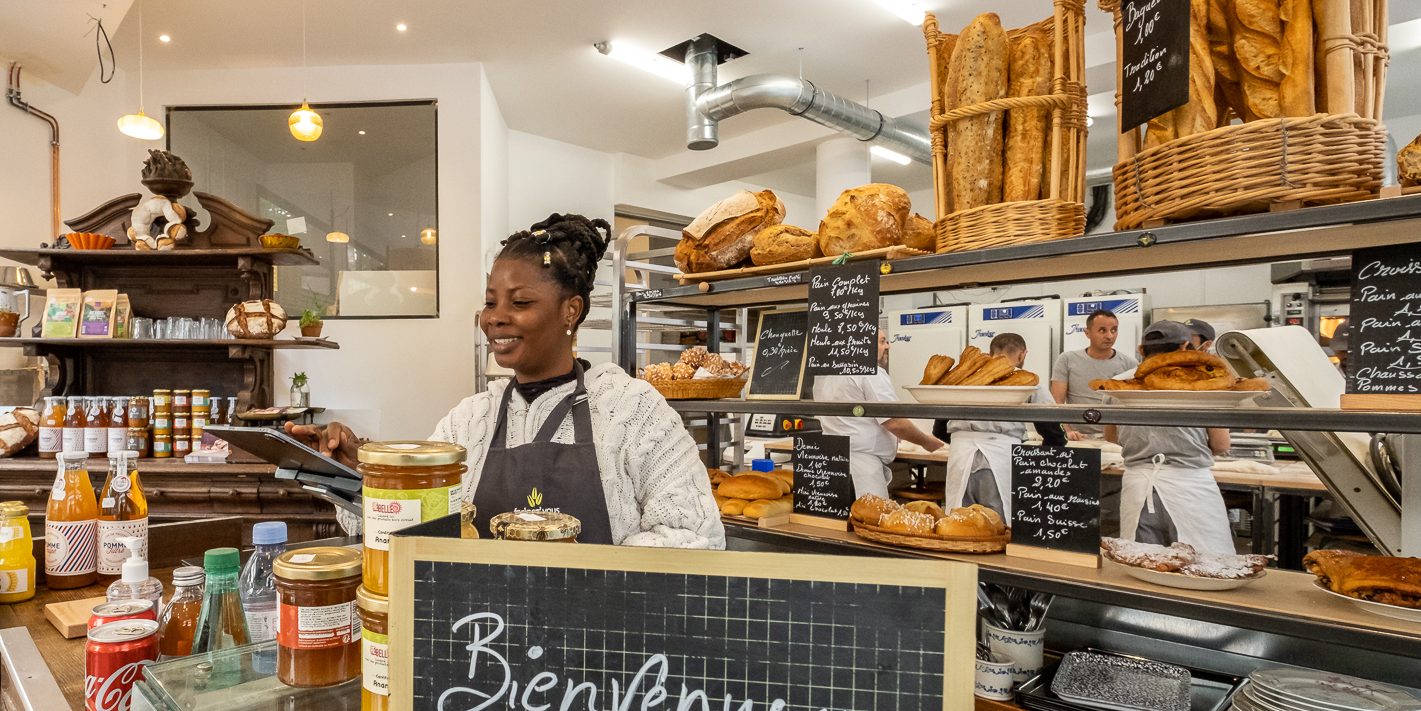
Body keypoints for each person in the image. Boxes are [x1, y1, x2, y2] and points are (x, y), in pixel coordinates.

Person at [286, 212, 725, 549]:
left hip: (600, 650)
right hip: (484, 641)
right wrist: (360, 470)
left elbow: (696, 537)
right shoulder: (469, 420)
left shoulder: (634, 411)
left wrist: (579, 587)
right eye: (490, 302)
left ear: (570, 311)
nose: (496, 318)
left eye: (520, 302)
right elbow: (410, 527)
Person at [1103, 320, 1233, 553]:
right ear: (1184, 347)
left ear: (1141, 350)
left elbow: (1112, 436)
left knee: (1144, 567)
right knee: (1204, 569)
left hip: (1138, 489)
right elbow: (1221, 444)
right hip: (1190, 489)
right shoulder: (1204, 381)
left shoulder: (1119, 383)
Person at [940, 333, 1058, 524]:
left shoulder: (964, 381)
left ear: (989, 352)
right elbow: (1053, 428)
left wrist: (965, 440)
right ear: (1022, 355)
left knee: (959, 524)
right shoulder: (1026, 381)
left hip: (959, 458)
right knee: (996, 524)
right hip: (1000, 458)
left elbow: (939, 428)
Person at [813, 329, 944, 499]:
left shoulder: (824, 374)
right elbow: (895, 423)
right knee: (868, 520)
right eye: (882, 341)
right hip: (862, 468)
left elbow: (851, 420)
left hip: (831, 462)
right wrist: (927, 442)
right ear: (864, 346)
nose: (888, 346)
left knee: (839, 522)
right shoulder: (871, 373)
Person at [1050, 309, 1136, 440]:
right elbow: (1057, 401)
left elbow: (1133, 405)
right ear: (1087, 333)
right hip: (1077, 437)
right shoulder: (1067, 359)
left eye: (1114, 330)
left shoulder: (1130, 364)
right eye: (1102, 330)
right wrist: (1065, 431)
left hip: (1117, 439)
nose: (1109, 336)